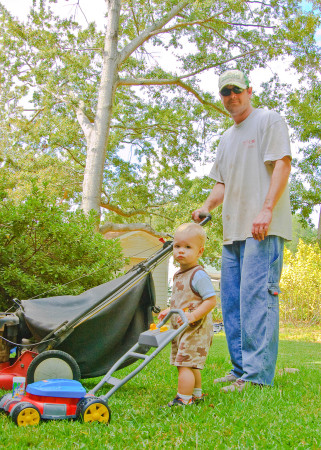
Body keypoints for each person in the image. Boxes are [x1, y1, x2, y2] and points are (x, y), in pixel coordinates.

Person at [192, 69, 292, 392]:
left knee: (256, 298)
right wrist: (207, 207)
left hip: (262, 227)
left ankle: (258, 376)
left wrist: (266, 209)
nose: (231, 96)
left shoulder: (268, 121)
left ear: (249, 90)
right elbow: (222, 182)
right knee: (233, 302)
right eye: (225, 92)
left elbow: (283, 163)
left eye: (236, 89)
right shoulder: (226, 138)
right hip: (232, 232)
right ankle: (240, 369)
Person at [158, 222, 216, 406]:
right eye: (177, 246)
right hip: (181, 327)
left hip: (195, 328)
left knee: (183, 364)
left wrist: (193, 316)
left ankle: (183, 399)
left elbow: (211, 300)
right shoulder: (178, 274)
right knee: (189, 363)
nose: (181, 251)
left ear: (200, 252)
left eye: (187, 247)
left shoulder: (198, 275)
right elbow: (182, 299)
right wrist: (169, 309)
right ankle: (196, 395)